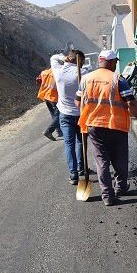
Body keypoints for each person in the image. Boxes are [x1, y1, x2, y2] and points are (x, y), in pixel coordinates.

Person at [77, 50, 137, 206]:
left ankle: (107, 196)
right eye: (115, 61)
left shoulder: (86, 79)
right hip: (116, 125)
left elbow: (78, 101)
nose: (116, 64)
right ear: (110, 62)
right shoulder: (117, 79)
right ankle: (121, 188)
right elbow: (131, 102)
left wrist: (86, 113)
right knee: (120, 158)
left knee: (102, 161)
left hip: (94, 125)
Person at [51, 49, 86, 184]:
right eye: (81, 61)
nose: (82, 64)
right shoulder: (82, 73)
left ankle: (73, 174)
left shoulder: (58, 71)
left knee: (69, 144)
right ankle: (81, 168)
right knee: (80, 141)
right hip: (80, 114)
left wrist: (63, 57)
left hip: (65, 114)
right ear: (78, 61)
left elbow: (54, 58)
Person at [36, 67, 62, 140]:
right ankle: (49, 131)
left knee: (54, 115)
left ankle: (59, 131)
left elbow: (38, 80)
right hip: (54, 97)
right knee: (59, 115)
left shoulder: (44, 72)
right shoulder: (58, 73)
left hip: (46, 96)